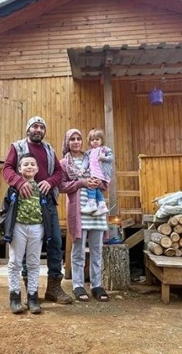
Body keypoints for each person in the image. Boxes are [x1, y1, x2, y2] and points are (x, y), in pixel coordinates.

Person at [2, 116, 74, 304]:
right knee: (25, 248)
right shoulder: (17, 147)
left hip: (47, 203)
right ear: (28, 129)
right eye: (35, 126)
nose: (38, 130)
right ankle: (30, 293)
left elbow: (59, 173)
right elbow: (7, 168)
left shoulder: (49, 150)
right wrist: (18, 182)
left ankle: (54, 288)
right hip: (23, 203)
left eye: (42, 127)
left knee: (56, 242)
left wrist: (50, 182)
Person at [59, 128, 110, 302]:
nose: (75, 141)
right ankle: (78, 285)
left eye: (78, 138)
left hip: (96, 210)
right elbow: (62, 186)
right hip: (78, 210)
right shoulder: (64, 163)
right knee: (78, 250)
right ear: (67, 142)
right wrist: (81, 182)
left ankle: (96, 285)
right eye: (72, 139)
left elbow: (105, 177)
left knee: (96, 249)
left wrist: (98, 183)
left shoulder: (92, 157)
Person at [0, 154, 53, 314]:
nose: (29, 166)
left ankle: (32, 297)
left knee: (34, 263)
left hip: (37, 227)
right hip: (18, 227)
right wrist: (5, 226)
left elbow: (47, 209)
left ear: (37, 169)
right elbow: (5, 208)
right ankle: (14, 297)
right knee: (15, 262)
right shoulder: (14, 188)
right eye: (25, 164)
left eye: (32, 164)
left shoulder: (42, 188)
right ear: (19, 169)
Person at [80, 128, 114, 216]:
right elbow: (85, 162)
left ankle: (91, 203)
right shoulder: (89, 152)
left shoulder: (104, 150)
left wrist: (104, 158)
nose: (94, 141)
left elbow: (111, 158)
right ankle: (102, 205)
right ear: (89, 141)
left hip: (100, 173)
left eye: (97, 139)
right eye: (92, 140)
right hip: (93, 172)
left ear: (101, 140)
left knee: (91, 185)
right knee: (97, 189)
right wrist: (83, 168)